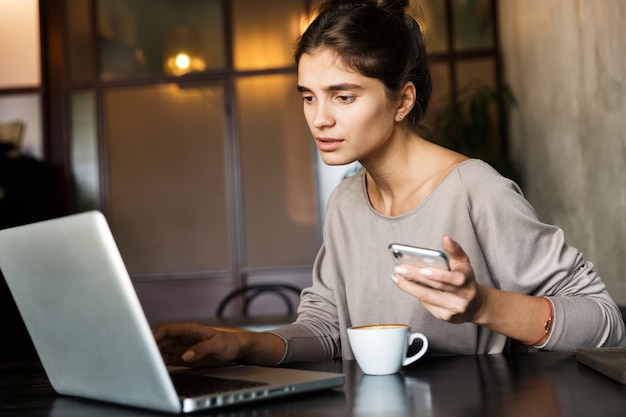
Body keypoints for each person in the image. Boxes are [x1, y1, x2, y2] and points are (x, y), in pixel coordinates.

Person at [155, 0, 624, 367]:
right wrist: (239, 345)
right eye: (308, 97)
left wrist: (481, 305)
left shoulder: (475, 190)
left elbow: (604, 321)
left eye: (343, 96)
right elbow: (327, 328)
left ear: (402, 100)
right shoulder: (345, 201)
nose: (319, 119)